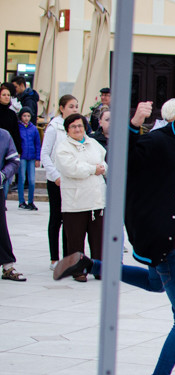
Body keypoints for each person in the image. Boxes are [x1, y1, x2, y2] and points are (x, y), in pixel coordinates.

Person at [54, 87, 175, 375]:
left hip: (167, 239)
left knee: (155, 283)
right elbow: (120, 160)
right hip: (164, 241)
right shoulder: (159, 142)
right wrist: (133, 124)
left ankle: (91, 266)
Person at [54, 114, 107, 282]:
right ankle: (77, 270)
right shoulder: (63, 148)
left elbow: (103, 162)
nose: (78, 129)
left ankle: (99, 268)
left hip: (96, 199)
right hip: (75, 201)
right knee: (75, 239)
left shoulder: (93, 143)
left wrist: (99, 168)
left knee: (98, 239)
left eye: (80, 126)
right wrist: (93, 169)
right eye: (73, 127)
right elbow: (72, 169)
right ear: (67, 130)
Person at [40, 94, 79, 269]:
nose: (75, 109)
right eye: (71, 106)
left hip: (72, 180)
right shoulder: (53, 128)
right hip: (56, 180)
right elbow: (45, 155)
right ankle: (54, 258)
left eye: (76, 106)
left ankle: (68, 257)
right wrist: (55, 175)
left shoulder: (77, 127)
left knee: (70, 219)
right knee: (56, 218)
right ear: (62, 108)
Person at [0, 127, 25, 281]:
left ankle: (8, 266)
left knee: (1, 227)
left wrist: (3, 174)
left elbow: (14, 161)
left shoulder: (4, 135)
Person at [17, 108, 40, 210]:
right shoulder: (18, 128)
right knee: (22, 179)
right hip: (22, 157)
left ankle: (31, 201)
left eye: (28, 116)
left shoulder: (34, 129)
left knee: (31, 180)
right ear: (21, 116)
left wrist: (38, 158)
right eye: (24, 116)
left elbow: (37, 144)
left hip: (31, 157)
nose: (26, 118)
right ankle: (21, 201)